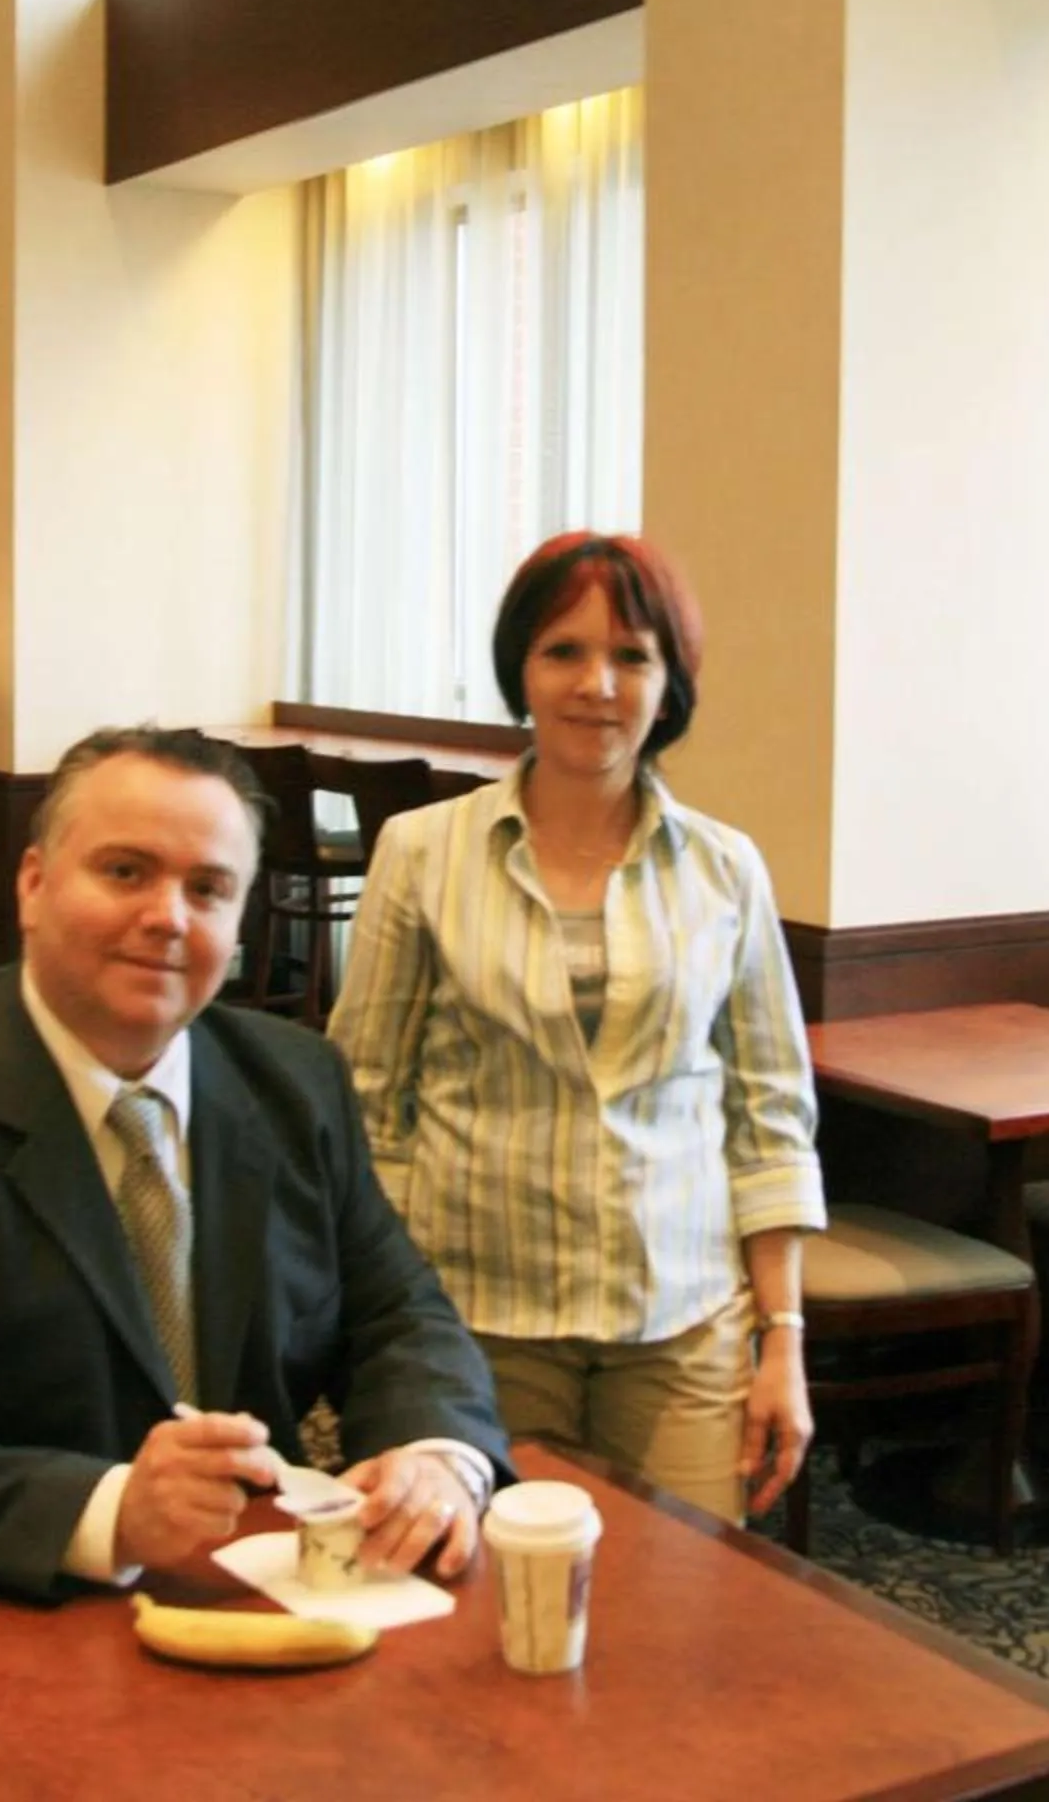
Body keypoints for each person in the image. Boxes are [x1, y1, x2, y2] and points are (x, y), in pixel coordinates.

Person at [0, 725, 510, 1603]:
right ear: (33, 885)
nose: (167, 917)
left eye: (209, 888)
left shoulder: (298, 1082)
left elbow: (398, 1311)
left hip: (261, 1592)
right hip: (2, 1613)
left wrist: (435, 1453)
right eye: (125, 872)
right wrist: (108, 1510)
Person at [327, 533, 825, 1525]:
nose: (596, 683)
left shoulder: (726, 869)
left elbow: (769, 1118)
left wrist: (785, 1338)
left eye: (631, 656)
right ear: (522, 666)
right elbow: (364, 1105)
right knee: (483, 1622)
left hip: (683, 1321)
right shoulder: (423, 851)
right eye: (564, 650)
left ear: (668, 683)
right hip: (476, 1318)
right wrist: (377, 1325)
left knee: (681, 1626)